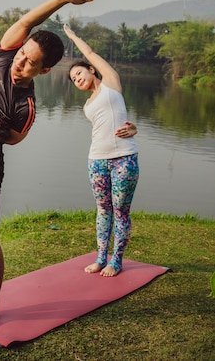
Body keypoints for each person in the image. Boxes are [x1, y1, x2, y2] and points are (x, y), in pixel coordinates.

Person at [0, 0, 105, 334]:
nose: (21, 62)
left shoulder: (25, 105)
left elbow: (16, 139)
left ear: (43, 71)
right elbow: (29, 21)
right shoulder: (4, 54)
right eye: (22, 54)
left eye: (30, 62)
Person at [63, 24, 139, 277]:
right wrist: (132, 127)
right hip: (96, 160)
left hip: (124, 160)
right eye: (73, 79)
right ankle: (100, 257)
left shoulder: (111, 85)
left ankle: (116, 260)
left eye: (79, 73)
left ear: (91, 70)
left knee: (120, 211)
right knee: (103, 210)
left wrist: (73, 37)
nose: (77, 79)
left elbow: (92, 52)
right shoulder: (87, 106)